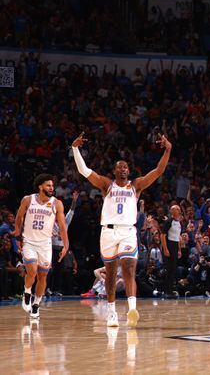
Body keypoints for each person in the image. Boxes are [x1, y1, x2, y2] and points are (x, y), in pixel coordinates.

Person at [71, 132, 172, 327]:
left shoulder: (136, 186)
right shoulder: (106, 185)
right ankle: (111, 311)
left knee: (128, 266)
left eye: (126, 167)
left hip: (127, 231)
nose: (123, 169)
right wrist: (75, 148)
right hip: (108, 232)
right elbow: (84, 170)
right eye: (120, 167)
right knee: (110, 273)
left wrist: (168, 149)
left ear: (129, 170)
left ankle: (132, 308)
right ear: (115, 171)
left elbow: (158, 171)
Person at [12, 174, 68, 319]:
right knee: (32, 270)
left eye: (52, 186)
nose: (51, 188)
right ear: (40, 186)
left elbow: (62, 226)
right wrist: (18, 234)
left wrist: (66, 245)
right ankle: (27, 291)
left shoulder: (57, 203)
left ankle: (36, 304)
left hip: (45, 244)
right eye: (48, 185)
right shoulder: (28, 199)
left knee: (43, 275)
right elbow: (19, 217)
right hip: (29, 241)